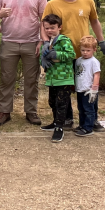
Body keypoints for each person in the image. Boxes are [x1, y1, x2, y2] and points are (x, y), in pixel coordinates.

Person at [41, 0, 105, 131]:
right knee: (63, 90)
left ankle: (92, 119)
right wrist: (45, 42)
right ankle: (66, 119)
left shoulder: (88, 1)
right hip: (62, 55)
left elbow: (94, 21)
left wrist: (101, 41)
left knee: (87, 88)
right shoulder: (52, 4)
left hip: (84, 54)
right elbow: (43, 25)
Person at [0, 0, 47, 126]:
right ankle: (5, 111)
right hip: (9, 42)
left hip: (32, 42)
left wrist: (41, 40)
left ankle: (31, 111)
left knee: (32, 80)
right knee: (7, 79)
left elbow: (44, 19)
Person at [39, 14, 76, 142]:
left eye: (52, 28)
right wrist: (42, 59)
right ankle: (55, 122)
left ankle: (59, 127)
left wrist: (56, 54)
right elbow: (44, 56)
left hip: (64, 78)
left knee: (61, 103)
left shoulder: (64, 40)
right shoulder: (48, 42)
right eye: (47, 28)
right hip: (52, 79)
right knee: (52, 102)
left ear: (59, 27)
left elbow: (71, 54)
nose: (49, 30)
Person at [73, 36, 101, 137]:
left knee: (89, 109)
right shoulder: (78, 61)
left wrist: (94, 88)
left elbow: (97, 74)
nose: (85, 52)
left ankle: (88, 128)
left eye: (88, 50)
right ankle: (82, 125)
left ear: (94, 50)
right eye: (83, 50)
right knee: (81, 109)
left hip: (88, 90)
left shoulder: (94, 61)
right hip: (80, 89)